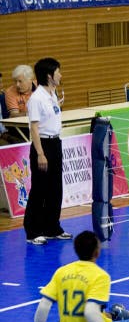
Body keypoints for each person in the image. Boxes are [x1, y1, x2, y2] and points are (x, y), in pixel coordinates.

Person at [23, 57, 70, 246]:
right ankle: (32, 232)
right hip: (42, 145)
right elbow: (34, 128)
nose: (61, 75)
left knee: (55, 188)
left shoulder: (52, 94)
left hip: (56, 143)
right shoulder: (36, 99)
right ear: (49, 76)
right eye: (58, 72)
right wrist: (40, 154)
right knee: (39, 189)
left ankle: (52, 227)